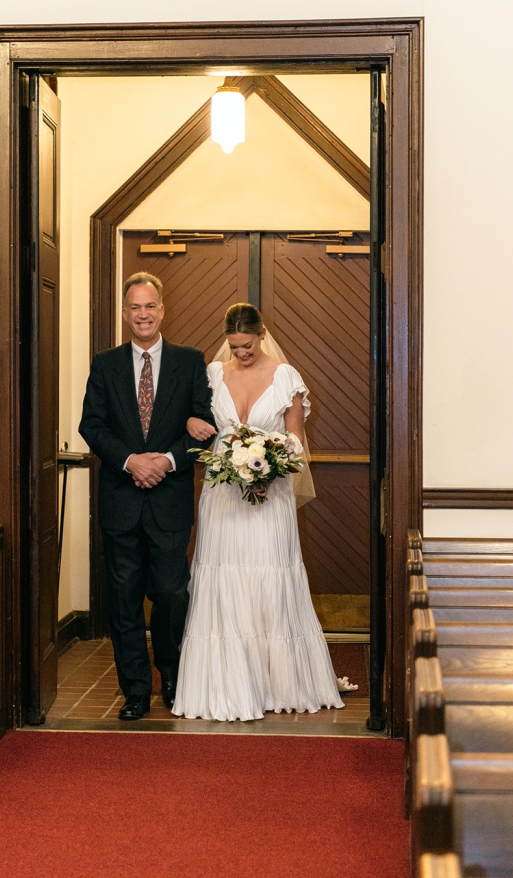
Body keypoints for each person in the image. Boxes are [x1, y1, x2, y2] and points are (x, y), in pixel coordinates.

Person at [172, 302, 344, 721]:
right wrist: (202, 434)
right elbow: (195, 424)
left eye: (246, 346)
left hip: (271, 497)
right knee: (222, 576)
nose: (240, 354)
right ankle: (226, 682)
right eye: (234, 346)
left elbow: (295, 441)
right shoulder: (213, 374)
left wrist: (273, 466)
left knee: (270, 578)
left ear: (262, 334)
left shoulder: (286, 378)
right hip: (222, 496)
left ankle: (276, 683)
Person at [78, 272, 213, 721]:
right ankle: (135, 689)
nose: (143, 314)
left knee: (173, 595)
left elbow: (205, 428)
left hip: (170, 501)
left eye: (150, 306)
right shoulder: (105, 364)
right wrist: (132, 461)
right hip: (121, 502)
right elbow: (91, 426)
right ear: (123, 312)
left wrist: (167, 462)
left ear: (162, 309)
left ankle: (171, 677)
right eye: (134, 307)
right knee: (124, 600)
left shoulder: (191, 362)